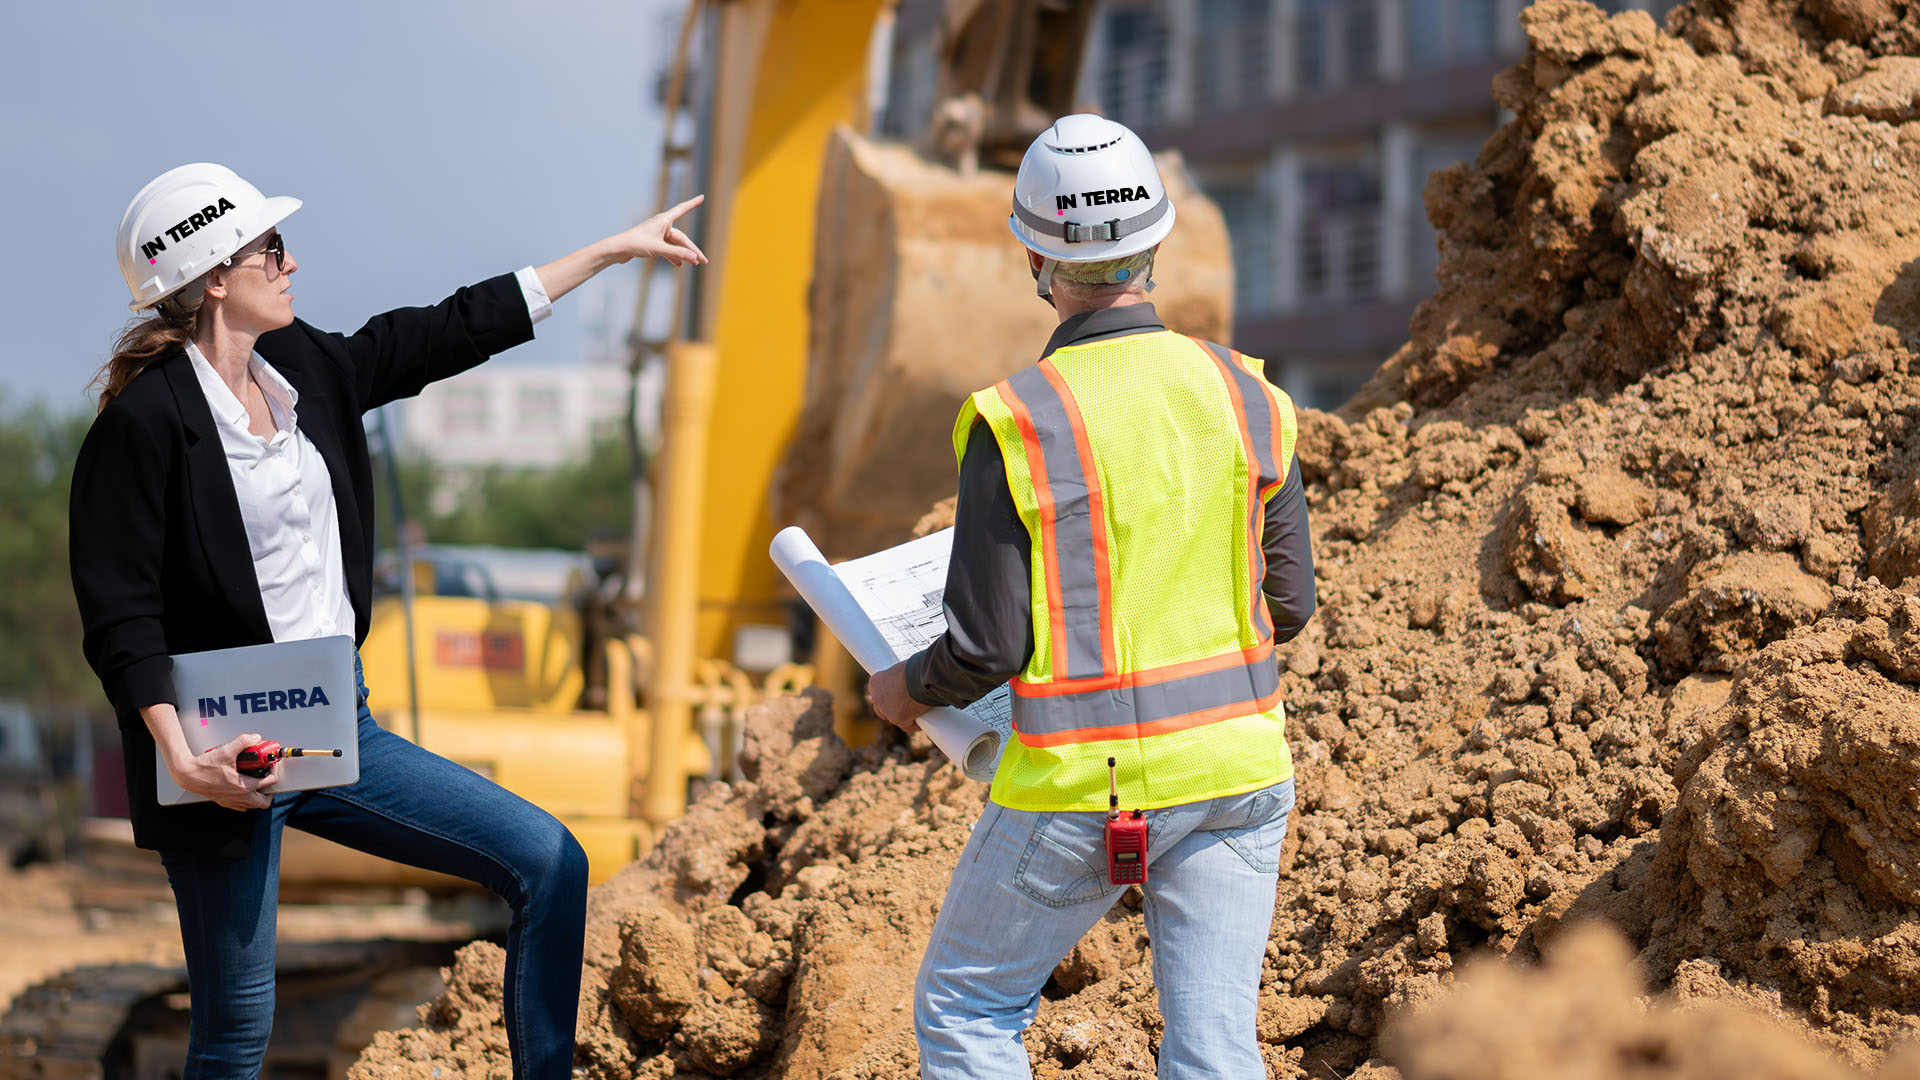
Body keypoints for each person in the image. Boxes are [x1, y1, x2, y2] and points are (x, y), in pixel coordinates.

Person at [69, 162, 707, 1080]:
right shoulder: (144, 424)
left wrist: (605, 255)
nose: (292, 263)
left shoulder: (305, 372)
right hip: (224, 756)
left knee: (550, 861)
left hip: (334, 726)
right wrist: (182, 758)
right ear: (215, 276)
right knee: (235, 1035)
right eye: (270, 249)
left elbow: (445, 330)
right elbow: (121, 615)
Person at [867, 114, 1316, 1078]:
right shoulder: (1249, 395)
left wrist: (906, 688)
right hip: (1243, 771)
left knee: (969, 1009)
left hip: (1092, 785)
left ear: (1034, 252)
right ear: (1156, 241)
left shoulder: (1017, 419)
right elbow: (1290, 603)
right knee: (1213, 1048)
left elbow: (985, 648)